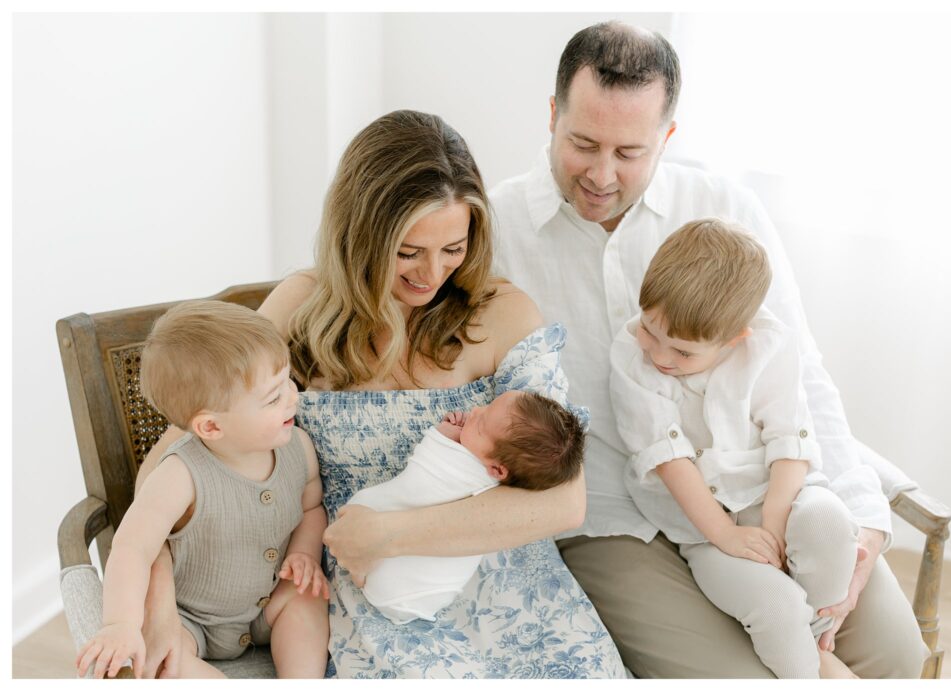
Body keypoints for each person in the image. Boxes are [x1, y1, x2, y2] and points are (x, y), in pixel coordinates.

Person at [488, 20, 929, 678]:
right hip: (612, 518)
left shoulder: (724, 206)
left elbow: (798, 370)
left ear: (667, 138)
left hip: (753, 485)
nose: (601, 174)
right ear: (551, 117)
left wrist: (864, 515)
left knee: (894, 651)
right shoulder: (494, 229)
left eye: (629, 151)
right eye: (583, 143)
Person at [134, 110, 625, 679]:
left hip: (513, 593)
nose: (432, 274)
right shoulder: (303, 308)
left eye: (454, 247)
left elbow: (564, 500)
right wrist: (160, 612)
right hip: (381, 604)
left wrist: (389, 534)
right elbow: (171, 466)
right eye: (408, 251)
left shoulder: (504, 313)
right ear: (359, 234)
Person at [610, 218, 861, 678]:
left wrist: (777, 517)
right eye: (650, 331)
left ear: (734, 339)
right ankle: (810, 669)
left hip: (779, 488)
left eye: (683, 353)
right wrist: (724, 534)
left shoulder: (767, 344)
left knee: (829, 522)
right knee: (775, 604)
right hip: (705, 520)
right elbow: (669, 459)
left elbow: (789, 435)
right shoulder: (632, 358)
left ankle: (819, 630)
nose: (660, 356)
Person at [75, 301, 329, 679]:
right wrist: (121, 624)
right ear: (211, 427)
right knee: (164, 665)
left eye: (288, 380)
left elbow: (312, 508)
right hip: (189, 620)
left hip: (267, 605)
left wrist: (304, 553)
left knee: (305, 600)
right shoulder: (180, 474)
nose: (293, 397)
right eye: (273, 397)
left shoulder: (298, 448)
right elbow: (131, 548)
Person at [350, 389, 585, 624]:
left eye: (481, 424)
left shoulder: (475, 475)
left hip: (395, 580)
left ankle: (361, 566)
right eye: (485, 408)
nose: (475, 410)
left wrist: (446, 434)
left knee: (360, 507)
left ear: (497, 470)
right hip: (428, 595)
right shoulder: (509, 477)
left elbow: (430, 466)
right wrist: (468, 432)